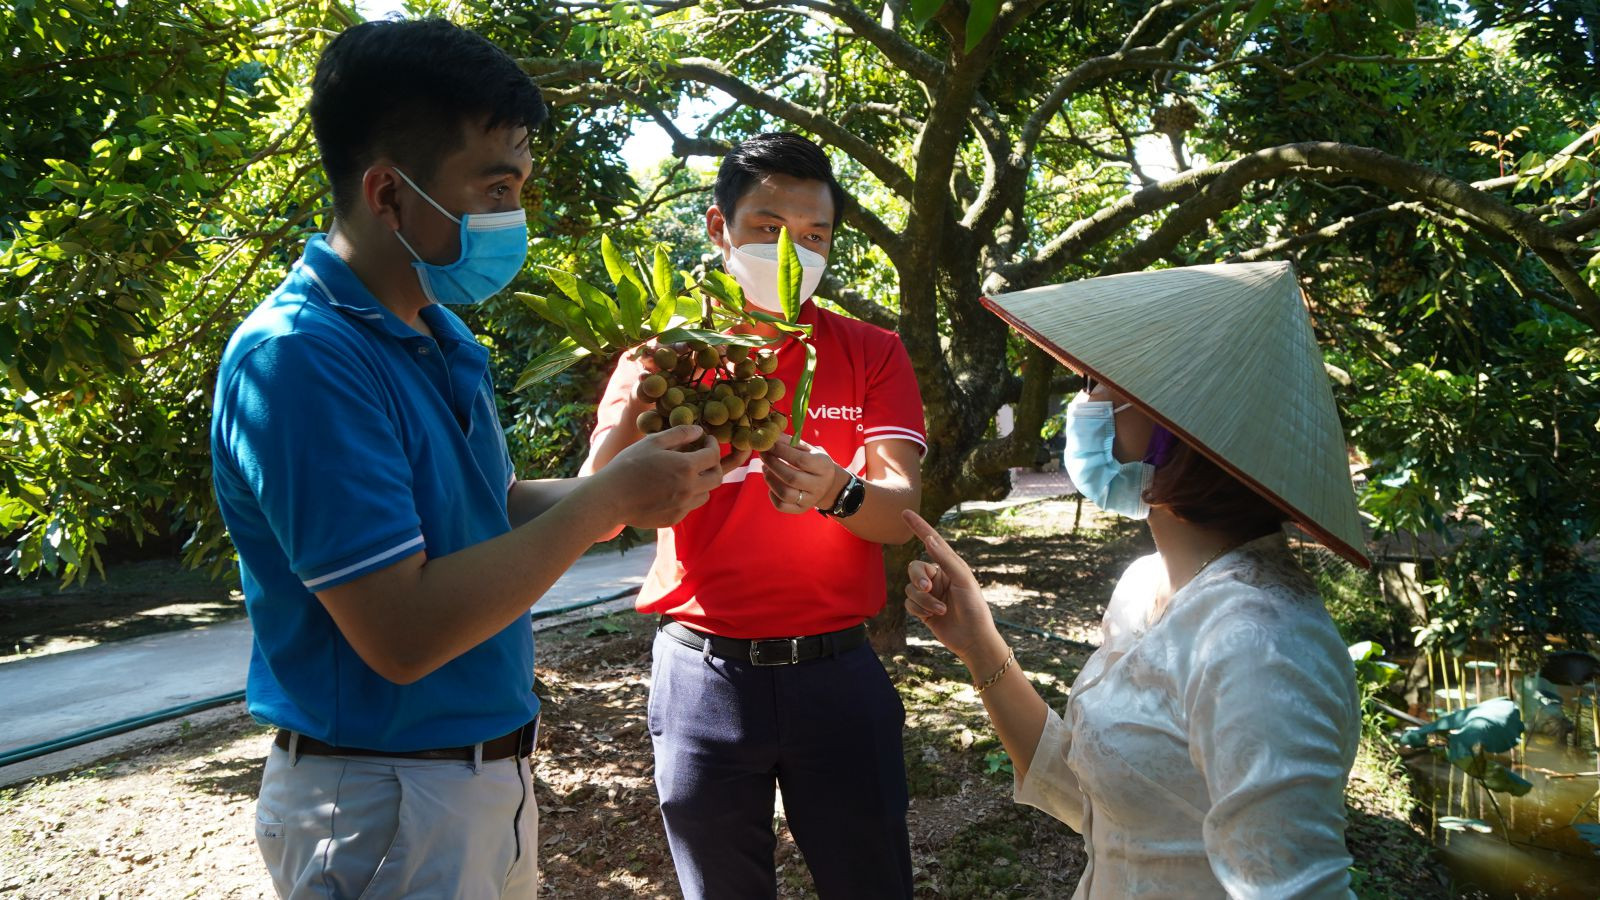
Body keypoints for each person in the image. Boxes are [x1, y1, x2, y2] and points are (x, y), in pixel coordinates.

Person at [210, 19, 731, 899]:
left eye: (518, 187)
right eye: (493, 188)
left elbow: (488, 510)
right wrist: (605, 502)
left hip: (467, 785)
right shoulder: (300, 360)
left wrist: (624, 481)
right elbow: (403, 635)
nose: (512, 215)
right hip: (382, 800)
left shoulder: (435, 335)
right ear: (388, 194)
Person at [902, 262, 1368, 898]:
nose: (1083, 403)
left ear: (1172, 426)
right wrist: (979, 641)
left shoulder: (1261, 644)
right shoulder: (1145, 586)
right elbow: (1101, 802)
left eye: (1098, 383)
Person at [582, 132, 926, 898]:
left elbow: (901, 512)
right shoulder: (665, 358)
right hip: (703, 677)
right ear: (719, 230)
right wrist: (641, 409)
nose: (791, 251)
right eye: (767, 229)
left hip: (838, 671)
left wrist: (841, 492)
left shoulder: (872, 352)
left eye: (814, 235)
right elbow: (596, 509)